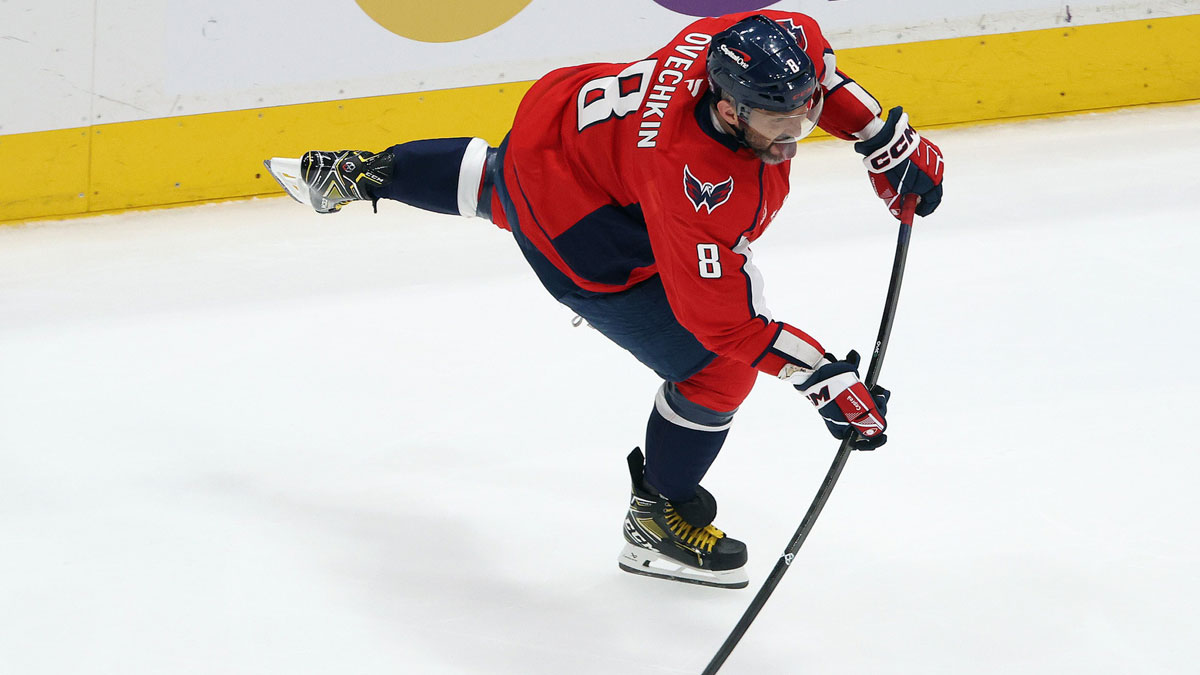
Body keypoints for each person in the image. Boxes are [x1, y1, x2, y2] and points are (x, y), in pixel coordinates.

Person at [265, 11, 944, 589]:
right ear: (729, 106)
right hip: (582, 227)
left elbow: (818, 66)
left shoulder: (754, 41)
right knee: (715, 365)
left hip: (567, 122)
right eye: (777, 116)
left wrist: (879, 139)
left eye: (802, 108)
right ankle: (658, 516)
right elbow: (725, 323)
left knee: (515, 179)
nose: (796, 128)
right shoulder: (696, 182)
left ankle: (369, 172)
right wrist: (821, 376)